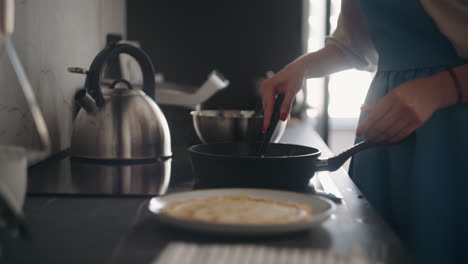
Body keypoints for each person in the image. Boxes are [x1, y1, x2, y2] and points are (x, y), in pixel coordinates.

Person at [260, 0, 468, 263]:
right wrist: (302, 67)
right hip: (384, 132)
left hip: (456, 132)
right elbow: (356, 48)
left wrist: (441, 89)